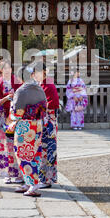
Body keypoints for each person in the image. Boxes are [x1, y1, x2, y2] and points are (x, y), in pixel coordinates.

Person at [5, 68, 47, 197]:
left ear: (20, 78)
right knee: (35, 154)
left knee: (23, 155)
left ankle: (33, 185)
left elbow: (16, 112)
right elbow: (45, 107)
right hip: (38, 125)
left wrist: (11, 120)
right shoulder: (40, 89)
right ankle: (29, 183)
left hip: (25, 126)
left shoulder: (21, 90)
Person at [0, 60, 23, 184]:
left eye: (9, 67)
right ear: (0, 70)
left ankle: (19, 173)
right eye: (5, 68)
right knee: (4, 145)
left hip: (15, 117)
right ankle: (6, 174)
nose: (8, 70)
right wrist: (4, 99)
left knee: (17, 145)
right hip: (3, 117)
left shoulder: (18, 81)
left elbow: (24, 95)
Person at [31, 62, 60, 190]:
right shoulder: (41, 85)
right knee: (43, 151)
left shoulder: (48, 85)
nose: (36, 75)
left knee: (47, 151)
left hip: (48, 122)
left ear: (43, 72)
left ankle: (46, 179)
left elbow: (51, 103)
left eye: (38, 72)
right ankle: (45, 178)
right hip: (43, 121)